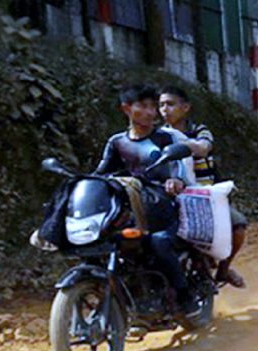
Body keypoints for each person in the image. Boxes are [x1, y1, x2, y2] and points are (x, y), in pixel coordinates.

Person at [95, 84, 200, 315]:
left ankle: (184, 296)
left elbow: (178, 168)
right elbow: (101, 172)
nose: (152, 112)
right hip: (127, 210)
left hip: (162, 210)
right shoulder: (116, 142)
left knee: (159, 242)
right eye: (143, 106)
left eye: (153, 107)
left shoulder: (165, 138)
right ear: (126, 109)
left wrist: (175, 181)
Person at [159, 85, 247, 289]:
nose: (165, 109)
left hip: (203, 195)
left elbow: (204, 148)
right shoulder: (157, 134)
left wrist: (184, 145)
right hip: (168, 195)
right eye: (161, 105)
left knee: (239, 226)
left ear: (185, 107)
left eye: (170, 104)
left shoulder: (199, 130)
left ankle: (223, 270)